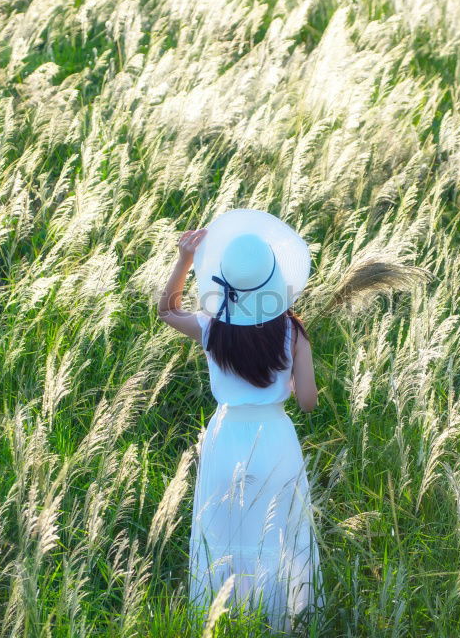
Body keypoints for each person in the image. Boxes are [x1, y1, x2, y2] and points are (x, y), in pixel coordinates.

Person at [156, 209, 325, 634]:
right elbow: (307, 402)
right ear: (273, 281)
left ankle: (225, 616)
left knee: (226, 528)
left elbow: (166, 309)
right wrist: (286, 385)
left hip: (226, 435)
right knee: (277, 530)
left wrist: (184, 260)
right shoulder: (293, 332)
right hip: (275, 438)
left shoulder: (211, 329)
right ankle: (281, 618)